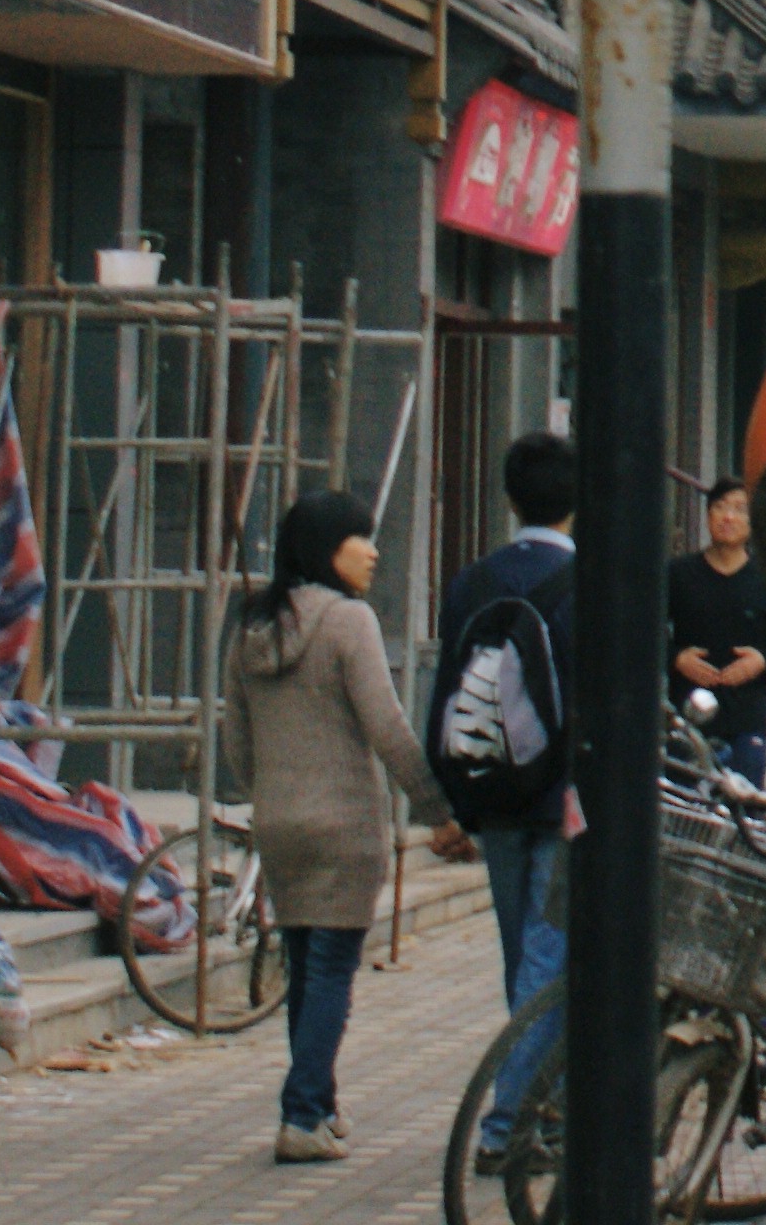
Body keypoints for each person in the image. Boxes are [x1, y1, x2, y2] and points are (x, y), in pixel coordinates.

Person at [220, 493, 455, 1164]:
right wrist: (437, 811)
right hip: (345, 822)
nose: (373, 551)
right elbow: (388, 727)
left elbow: (235, 739)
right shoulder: (349, 621)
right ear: (328, 547)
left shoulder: (251, 626)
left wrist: (269, 793)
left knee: (303, 965)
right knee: (330, 971)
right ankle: (300, 1114)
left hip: (279, 822)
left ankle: (318, 1104)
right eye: (361, 538)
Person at [432, 431, 576, 1155]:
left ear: (510, 497)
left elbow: (448, 688)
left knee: (521, 956)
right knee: (548, 961)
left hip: (492, 792)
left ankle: (535, 1103)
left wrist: (456, 805)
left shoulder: (471, 582)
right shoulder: (587, 584)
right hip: (561, 801)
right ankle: (508, 1124)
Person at [666, 480, 766, 788]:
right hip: (688, 720)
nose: (728, 517)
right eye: (719, 508)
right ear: (708, 517)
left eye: (738, 510)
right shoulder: (679, 574)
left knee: (743, 814)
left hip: (746, 719)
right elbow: (644, 627)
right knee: (686, 818)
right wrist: (677, 658)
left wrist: (762, 661)